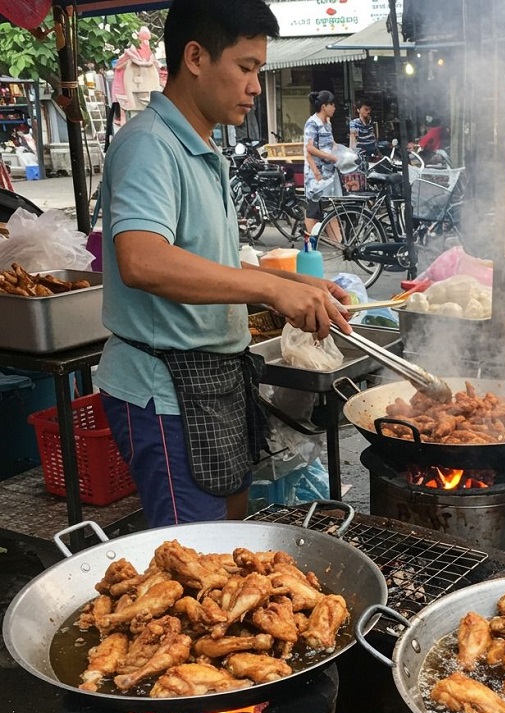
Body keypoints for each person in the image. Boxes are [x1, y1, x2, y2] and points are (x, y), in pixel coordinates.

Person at [93, 0, 351, 528]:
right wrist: (276, 294)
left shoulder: (203, 149)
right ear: (195, 57)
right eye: (246, 67)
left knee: (230, 538)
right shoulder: (148, 146)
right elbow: (143, 260)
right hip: (166, 391)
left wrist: (293, 282)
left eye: (258, 70)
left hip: (215, 381)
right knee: (195, 563)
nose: (256, 86)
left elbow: (211, 262)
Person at [303, 90, 341, 234]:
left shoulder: (327, 123)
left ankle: (338, 244)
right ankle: (312, 243)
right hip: (316, 174)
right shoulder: (312, 123)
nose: (334, 108)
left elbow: (330, 142)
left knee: (329, 206)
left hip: (328, 174)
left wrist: (340, 151)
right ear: (324, 106)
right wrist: (329, 159)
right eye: (332, 105)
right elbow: (309, 148)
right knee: (313, 209)